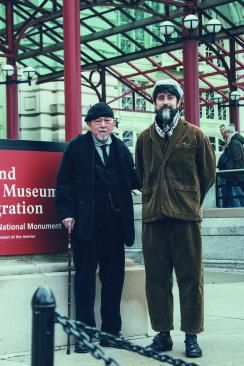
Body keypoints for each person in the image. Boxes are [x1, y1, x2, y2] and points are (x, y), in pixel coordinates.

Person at [135, 79, 216, 358]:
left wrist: (189, 199)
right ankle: (163, 334)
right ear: (155, 103)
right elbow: (141, 172)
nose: (165, 102)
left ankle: (191, 335)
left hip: (185, 217)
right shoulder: (144, 137)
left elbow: (208, 174)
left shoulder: (195, 135)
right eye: (161, 98)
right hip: (154, 217)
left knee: (191, 277)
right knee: (156, 279)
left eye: (170, 97)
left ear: (178, 102)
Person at [55, 102, 137, 353]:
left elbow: (135, 179)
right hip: (86, 226)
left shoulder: (122, 149)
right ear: (89, 125)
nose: (103, 125)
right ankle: (85, 334)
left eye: (107, 120)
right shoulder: (76, 148)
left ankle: (111, 332)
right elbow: (64, 184)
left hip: (115, 226)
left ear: (113, 124)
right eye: (98, 121)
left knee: (114, 280)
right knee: (84, 281)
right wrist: (67, 213)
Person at [224, 125, 244, 207]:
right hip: (234, 173)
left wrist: (235, 172)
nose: (225, 134)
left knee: (237, 190)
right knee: (236, 190)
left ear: (231, 132)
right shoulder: (233, 142)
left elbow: (237, 158)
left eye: (227, 132)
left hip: (235, 173)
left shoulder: (234, 142)